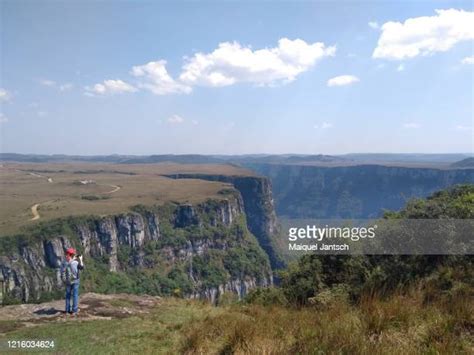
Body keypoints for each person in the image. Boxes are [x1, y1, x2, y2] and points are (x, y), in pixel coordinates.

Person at [60, 247, 84, 316]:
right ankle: (74, 310)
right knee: (75, 295)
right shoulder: (75, 262)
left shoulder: (64, 263)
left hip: (68, 281)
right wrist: (81, 260)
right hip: (75, 280)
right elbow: (82, 267)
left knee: (68, 295)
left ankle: (67, 310)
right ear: (72, 254)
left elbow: (62, 272)